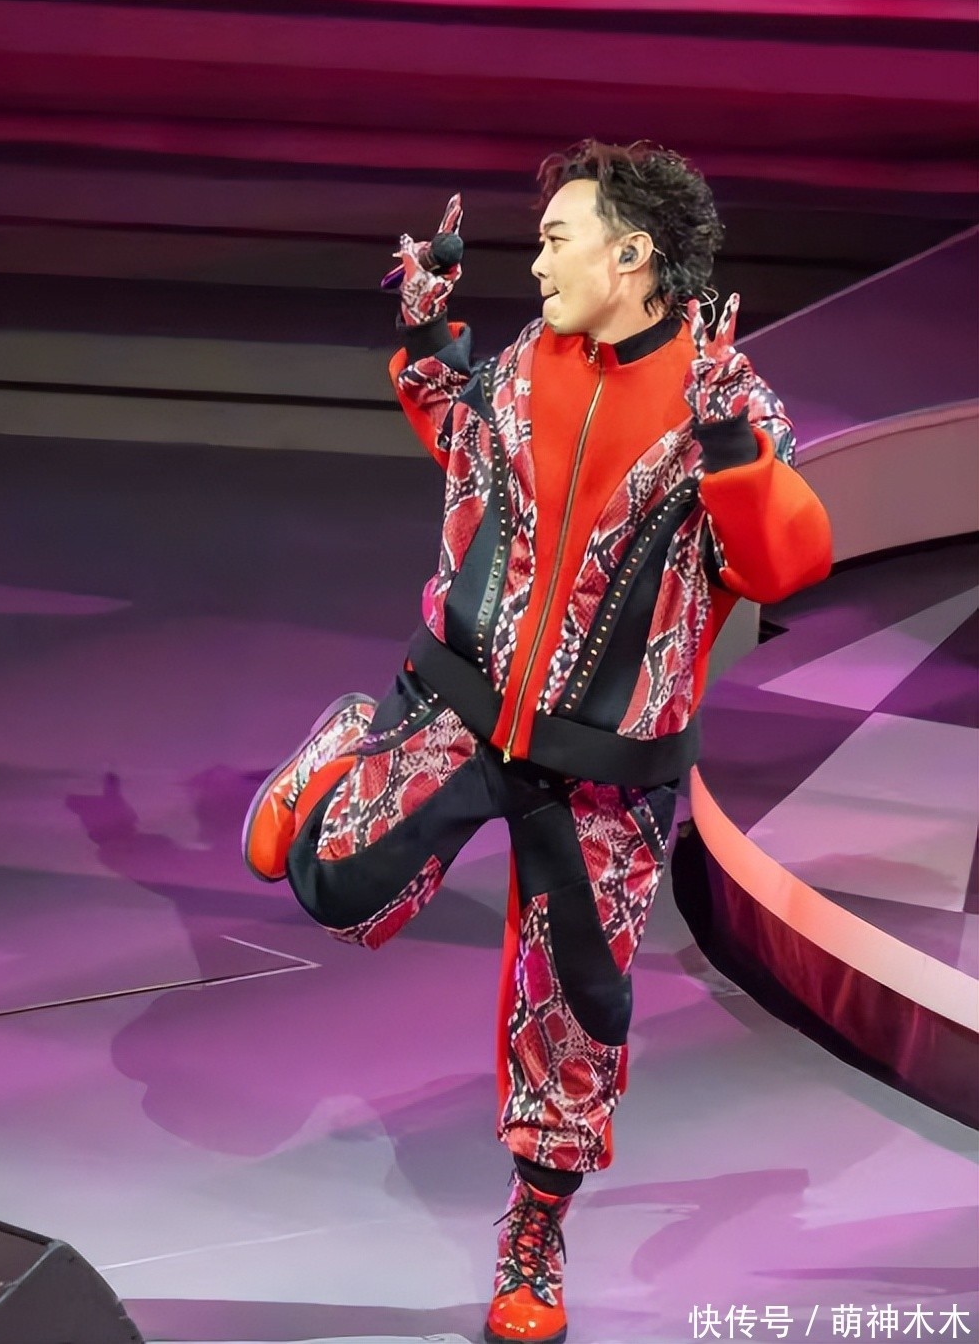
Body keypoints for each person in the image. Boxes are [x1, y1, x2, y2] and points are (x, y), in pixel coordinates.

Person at [241, 139, 833, 1343]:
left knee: (576, 1009)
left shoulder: (724, 401)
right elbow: (454, 428)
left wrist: (730, 450)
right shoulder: (525, 361)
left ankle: (533, 1232)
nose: (538, 262)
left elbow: (786, 562)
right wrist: (425, 326)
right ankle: (340, 743)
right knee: (337, 889)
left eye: (557, 239)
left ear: (631, 255)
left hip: (605, 774)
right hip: (460, 706)